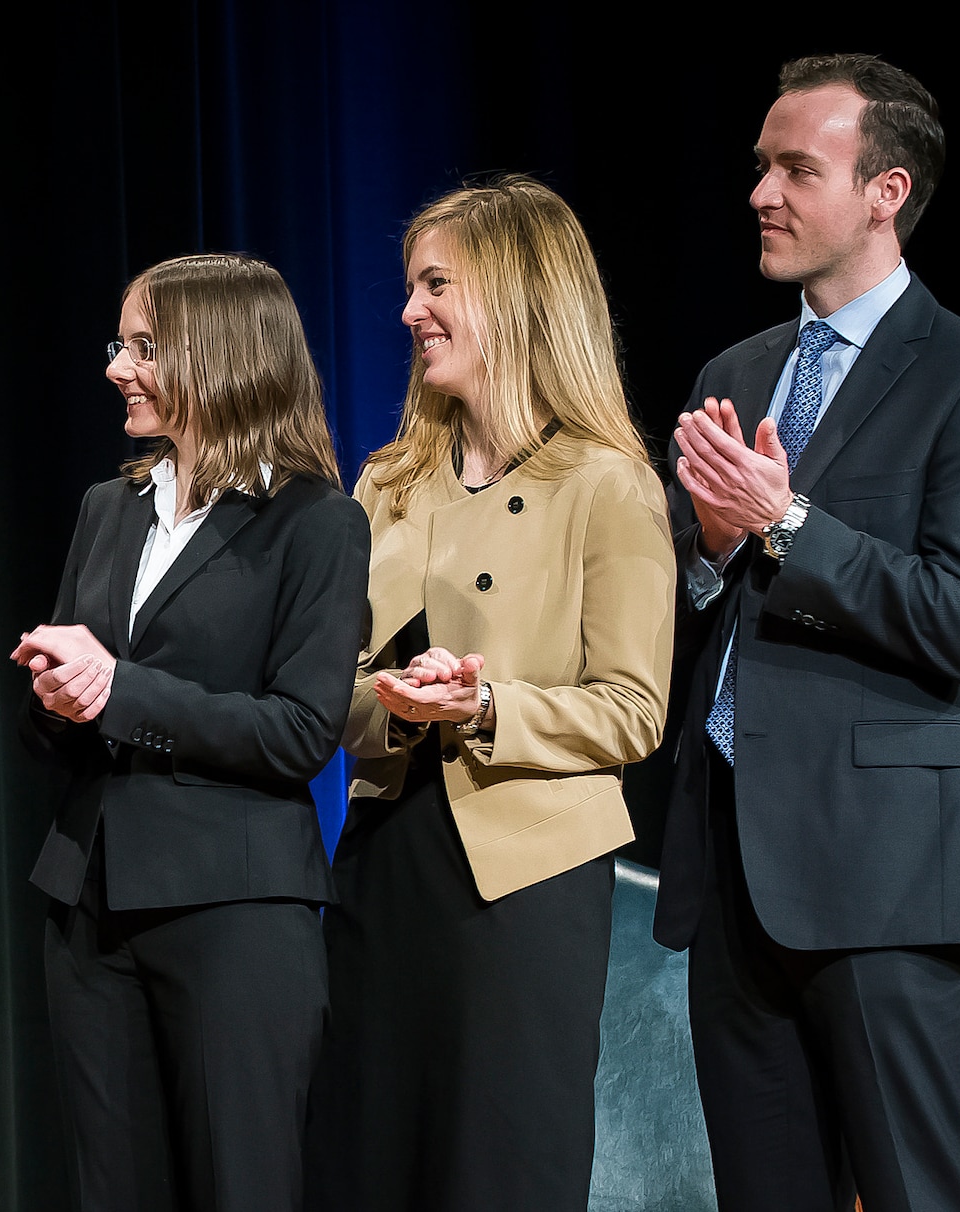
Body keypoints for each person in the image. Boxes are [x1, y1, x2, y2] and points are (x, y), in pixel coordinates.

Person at [656, 55, 960, 1212]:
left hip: (883, 879)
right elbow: (699, 591)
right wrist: (715, 547)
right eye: (758, 167)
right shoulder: (737, 371)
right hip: (731, 869)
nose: (760, 194)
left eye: (795, 169)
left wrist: (781, 523)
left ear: (883, 191)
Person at [304, 176, 675, 1211]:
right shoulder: (388, 480)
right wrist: (390, 697)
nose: (408, 311)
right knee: (366, 1160)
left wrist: (482, 707)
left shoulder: (605, 482)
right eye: (408, 285)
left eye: (434, 285)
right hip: (380, 861)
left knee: (496, 1166)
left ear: (515, 298)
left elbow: (632, 709)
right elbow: (320, 685)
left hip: (523, 882)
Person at [11, 253, 369, 1212]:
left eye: (143, 347)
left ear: (221, 356)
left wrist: (119, 691)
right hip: (90, 904)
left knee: (238, 1185)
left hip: (234, 908)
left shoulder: (316, 523)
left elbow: (301, 732)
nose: (117, 369)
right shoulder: (106, 509)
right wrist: (56, 700)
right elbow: (71, 714)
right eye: (120, 345)